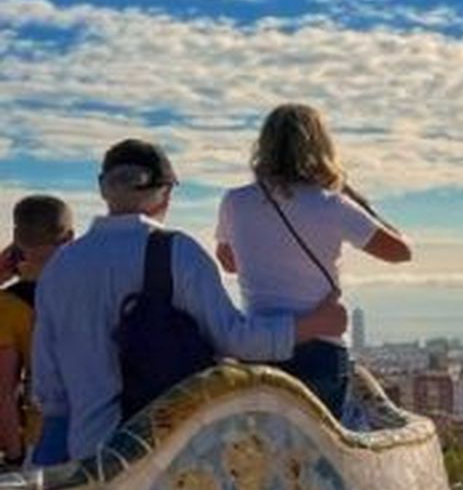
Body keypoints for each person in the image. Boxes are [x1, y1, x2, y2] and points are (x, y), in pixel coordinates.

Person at [28, 138, 348, 466]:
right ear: (165, 193)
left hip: (82, 455)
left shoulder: (61, 266)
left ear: (103, 189)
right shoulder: (176, 253)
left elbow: (47, 380)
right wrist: (316, 324)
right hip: (164, 458)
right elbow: (235, 340)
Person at [216, 103, 410, 416]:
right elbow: (400, 252)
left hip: (261, 345)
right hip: (321, 348)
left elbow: (228, 262)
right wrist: (353, 196)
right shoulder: (333, 205)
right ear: (320, 146)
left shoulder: (235, 202)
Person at [0, 196, 73, 468]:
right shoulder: (89, 288)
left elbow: (3, 393)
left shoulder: (7, 305)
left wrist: (14, 455)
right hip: (102, 426)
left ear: (17, 236)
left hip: (41, 435)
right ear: (70, 237)